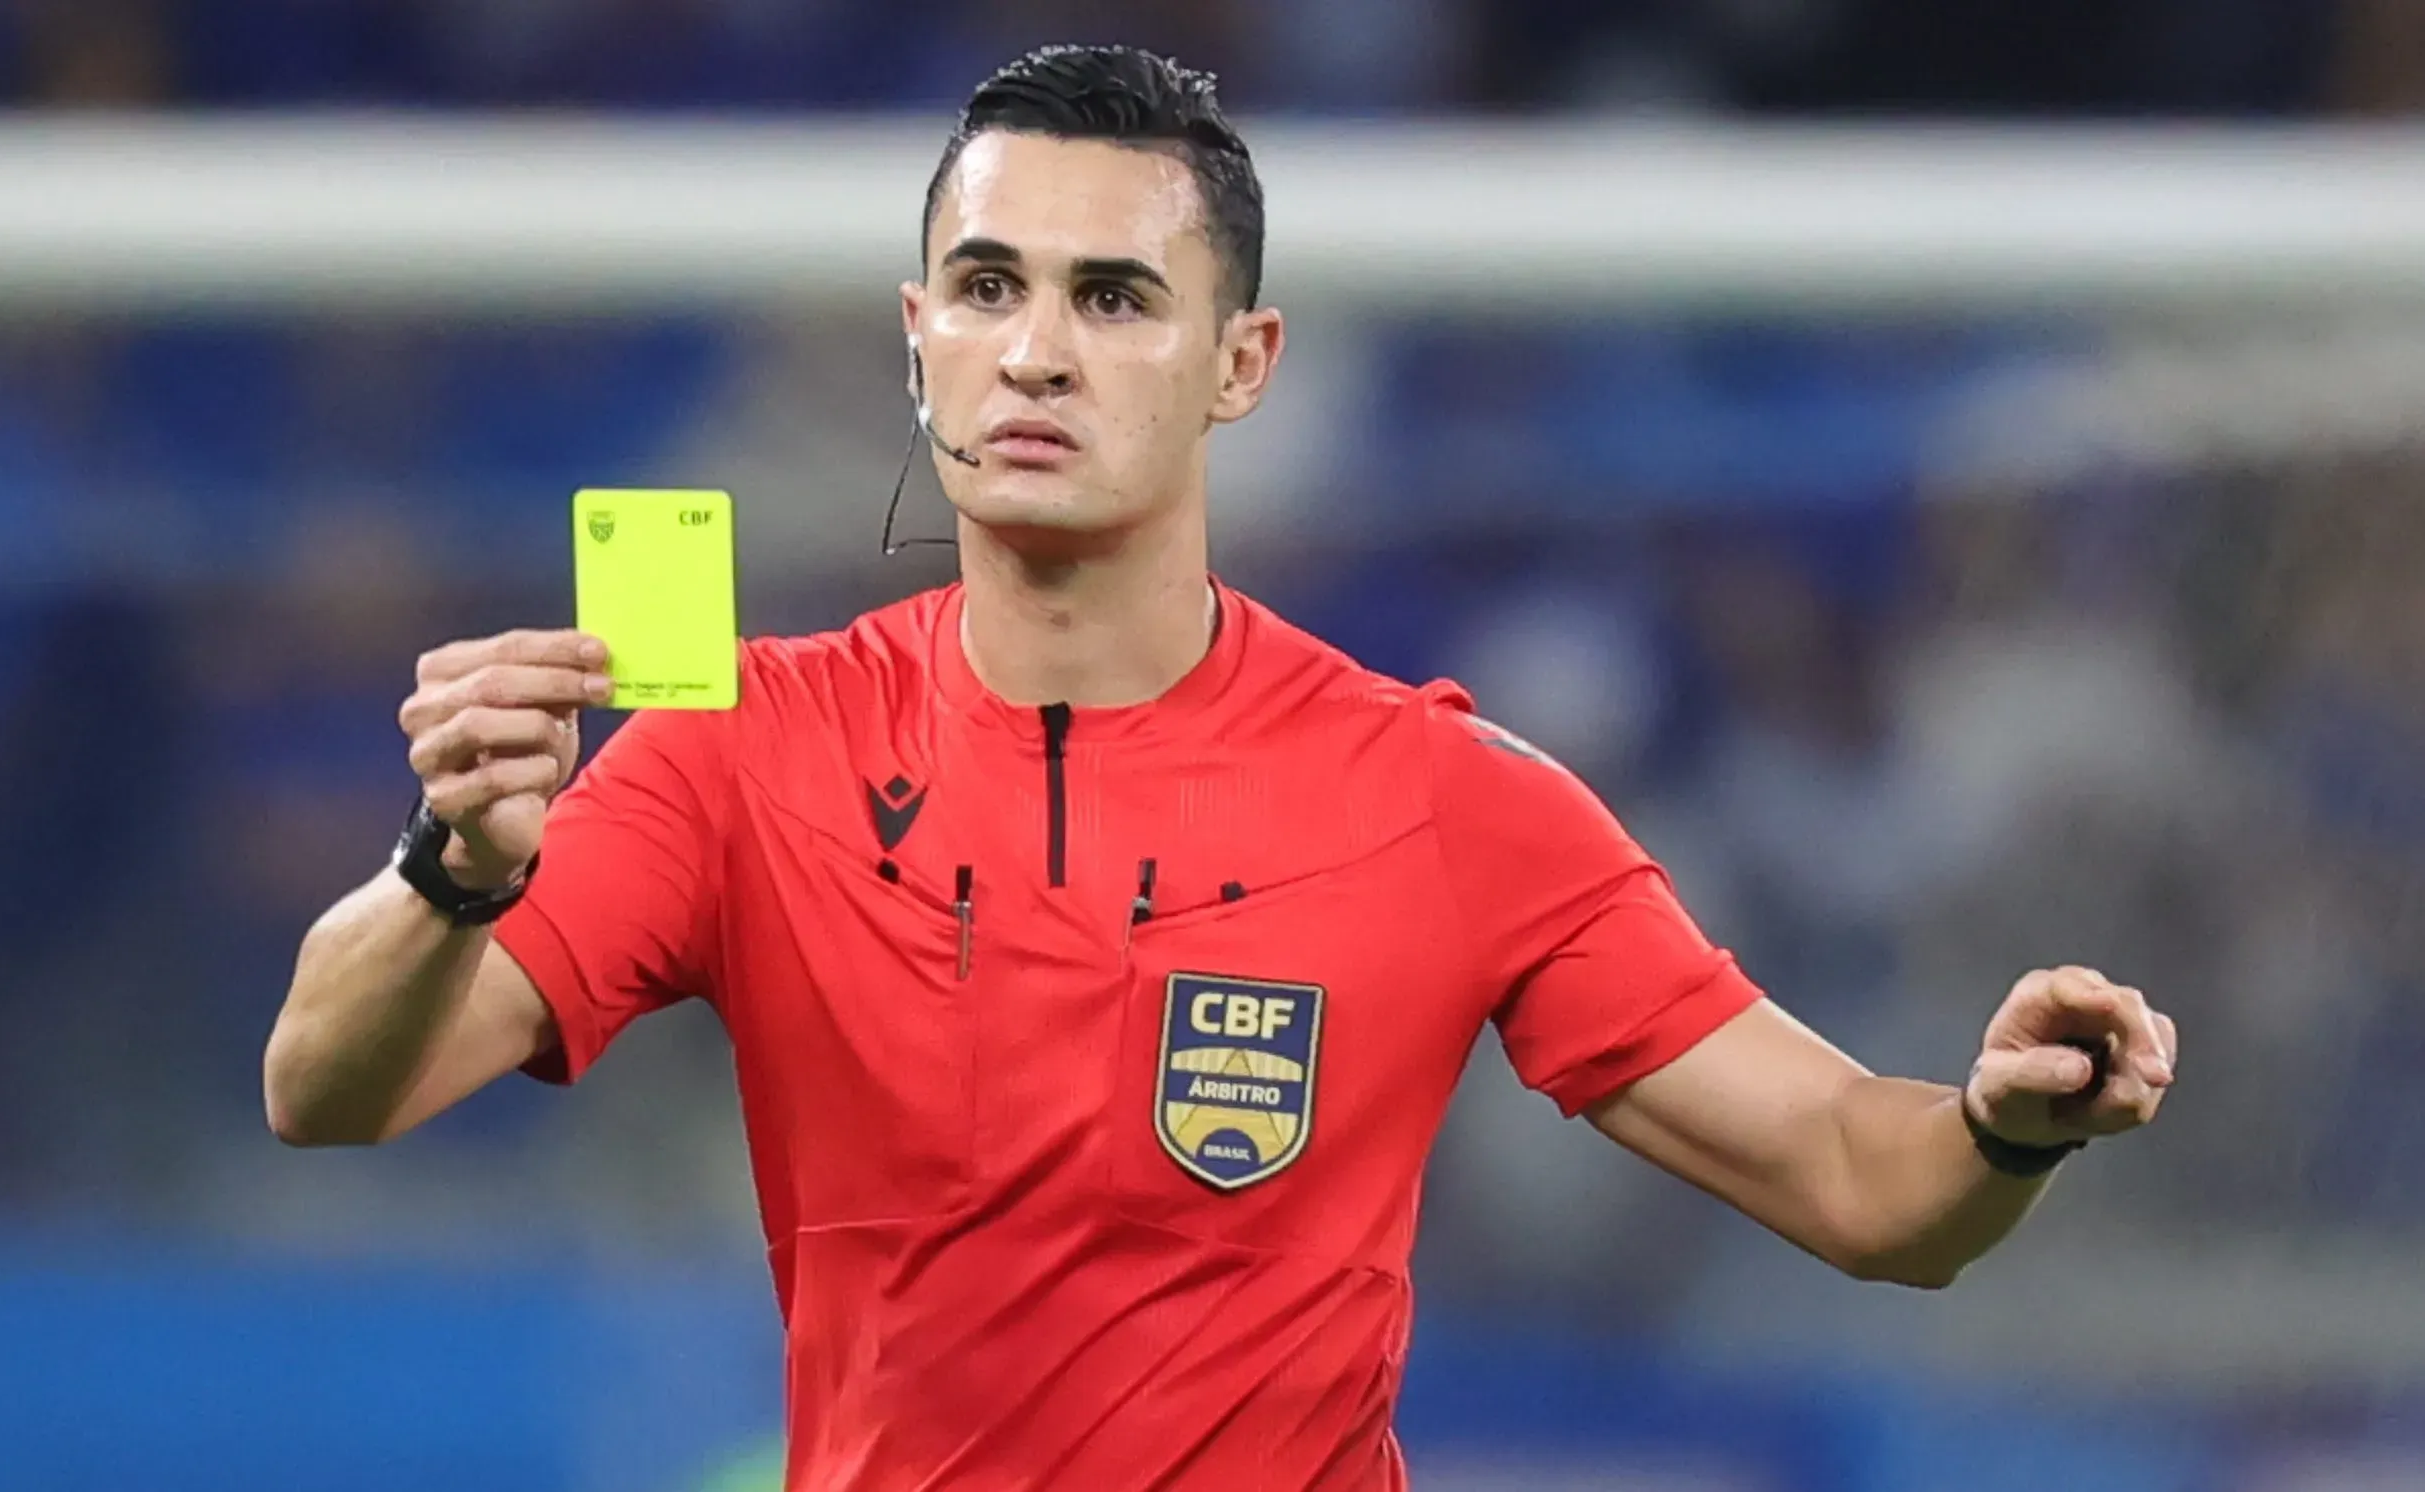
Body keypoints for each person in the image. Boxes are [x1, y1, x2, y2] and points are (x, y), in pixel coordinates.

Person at [262, 44, 2179, 1491]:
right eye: (989, 287)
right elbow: (329, 1091)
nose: (1034, 353)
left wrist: (2003, 1122)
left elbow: (1862, 1183)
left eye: (1111, 299)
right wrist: (449, 869)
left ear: (1239, 361)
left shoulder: (1443, 797)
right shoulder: (739, 750)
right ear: (914, 336)